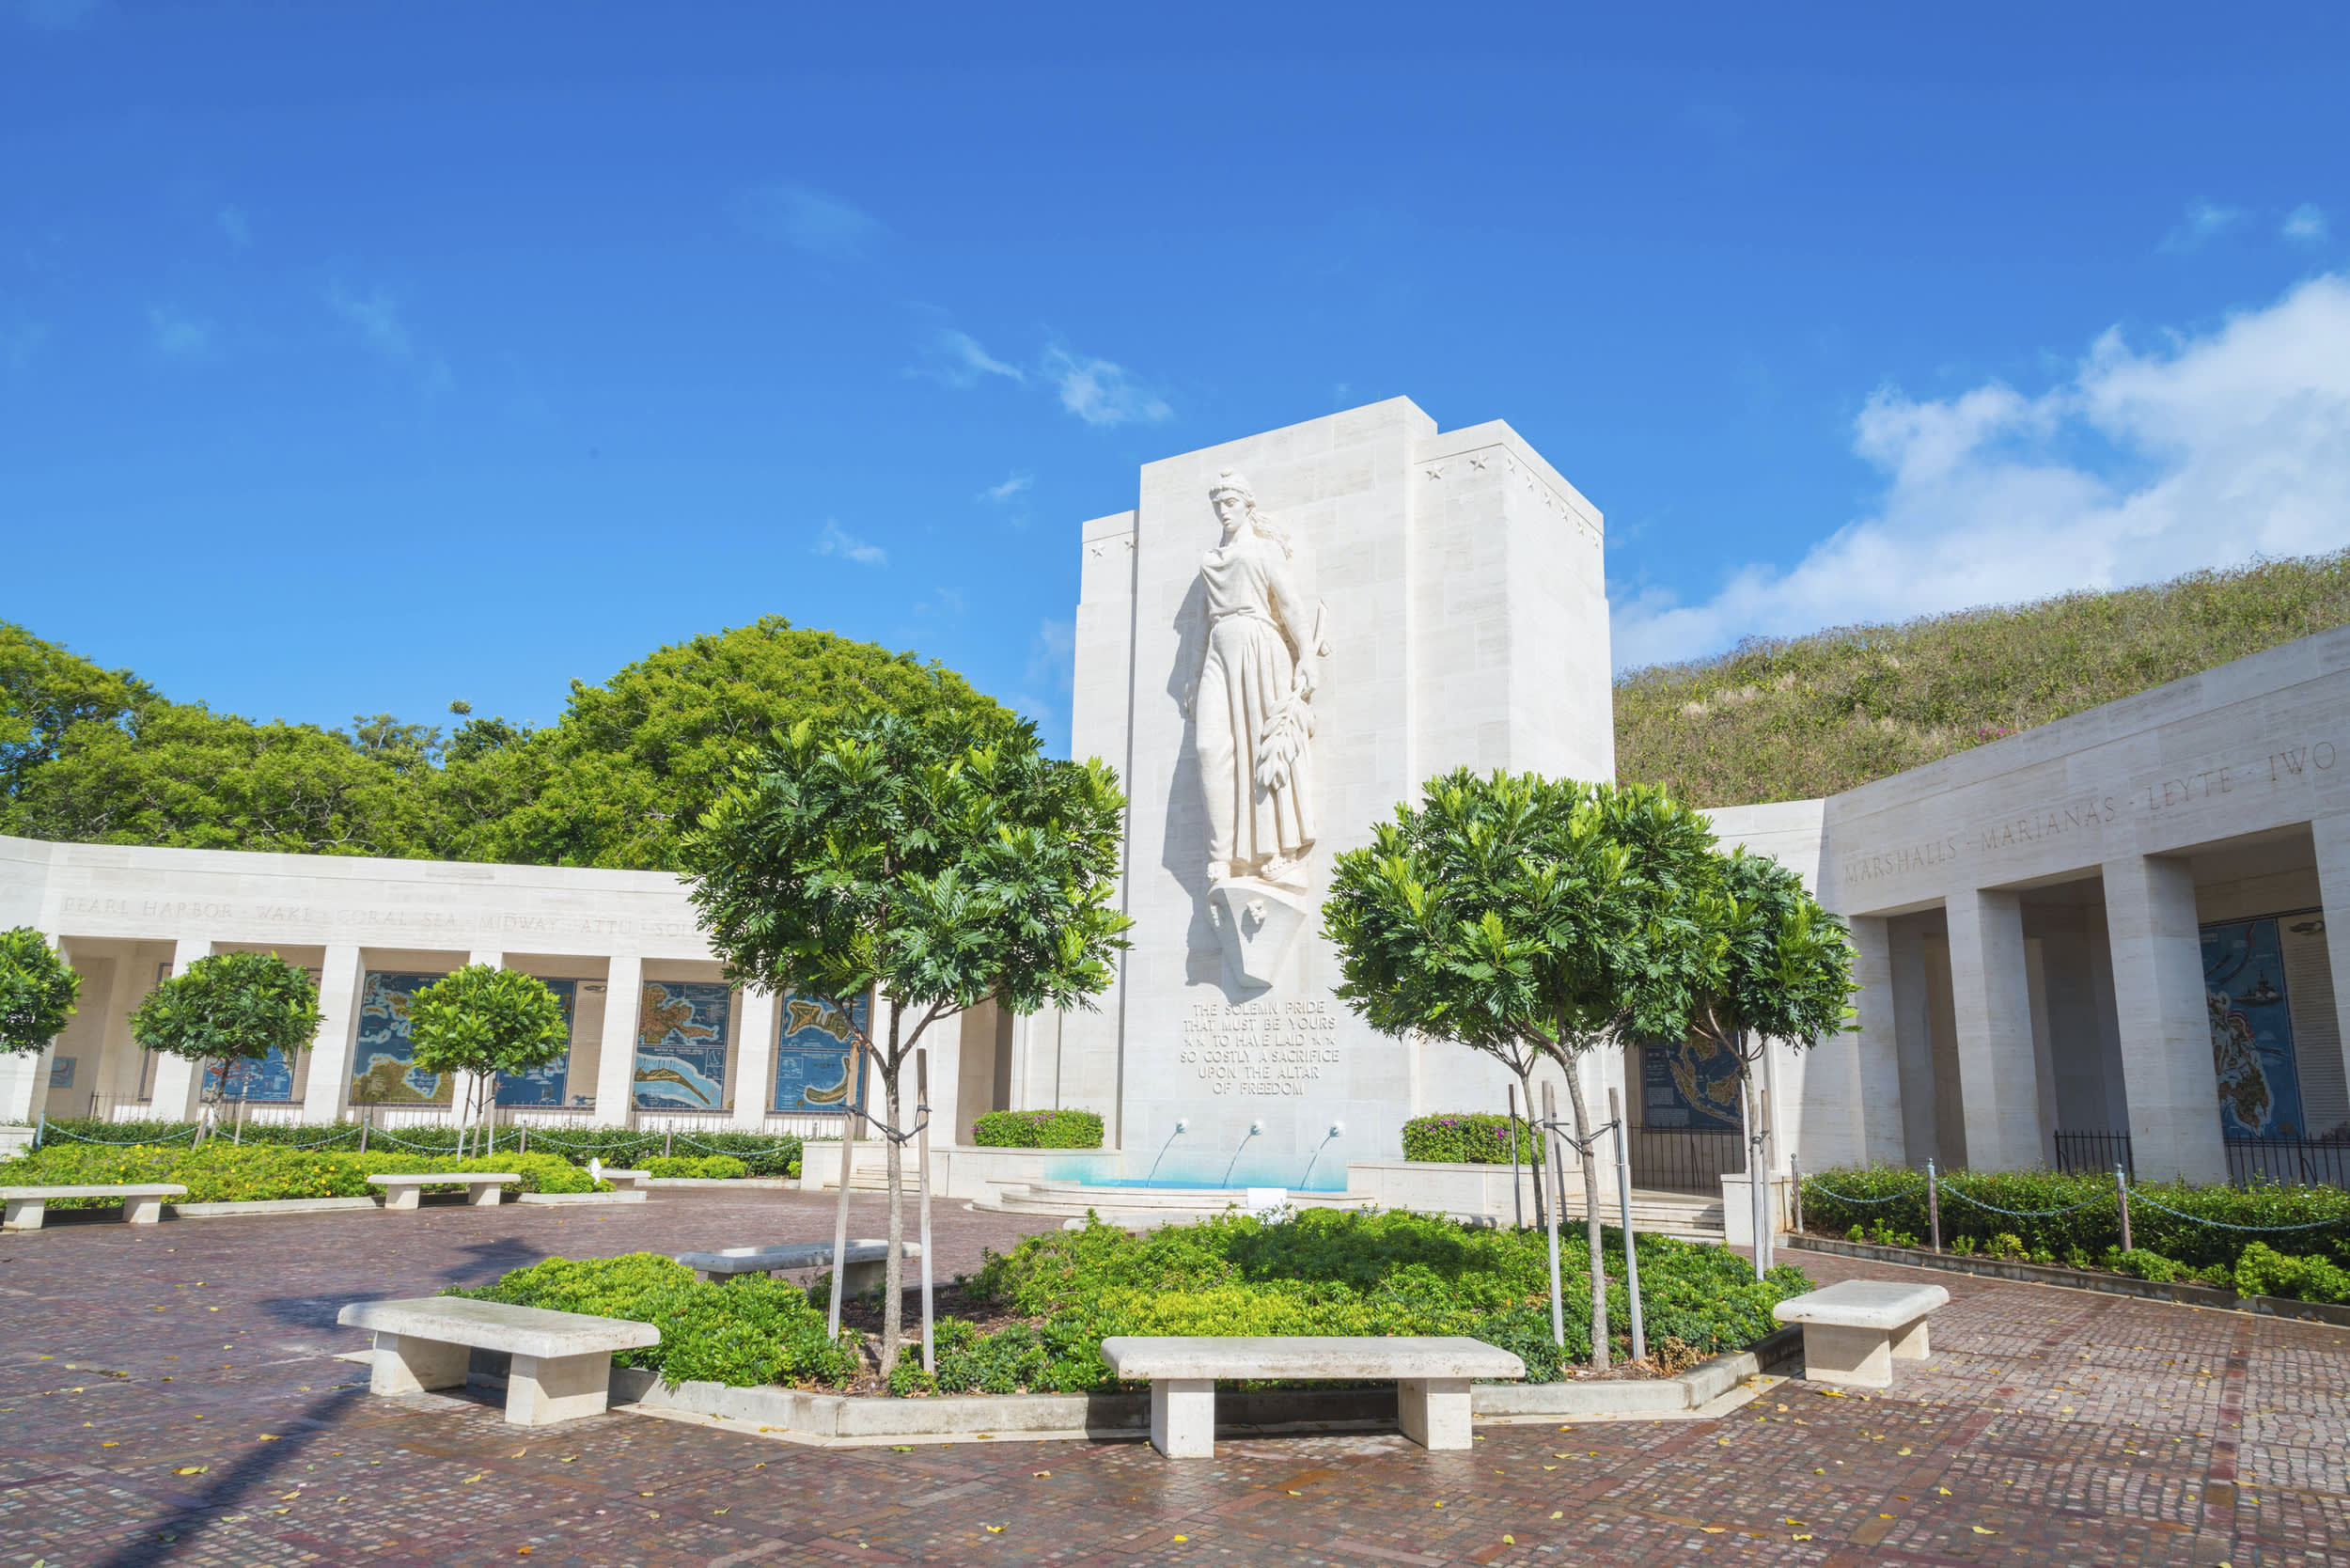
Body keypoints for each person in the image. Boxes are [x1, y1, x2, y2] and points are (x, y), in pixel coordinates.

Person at [1182, 470, 1326, 887]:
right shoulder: (1210, 560)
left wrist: (1307, 657)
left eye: (1230, 503)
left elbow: (1292, 606)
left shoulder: (1264, 552)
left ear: (1248, 505)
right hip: (1218, 650)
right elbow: (1199, 627)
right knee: (1211, 747)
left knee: (1265, 746)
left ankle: (1279, 850)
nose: (1223, 511)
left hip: (1260, 644)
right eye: (1217, 505)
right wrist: (1192, 676)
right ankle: (1222, 855)